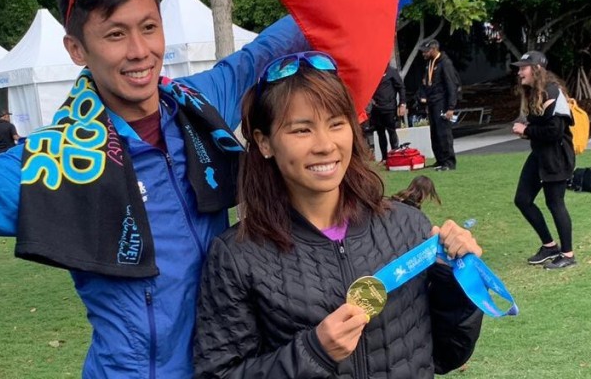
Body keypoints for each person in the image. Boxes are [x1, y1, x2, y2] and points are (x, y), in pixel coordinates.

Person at [0, 0, 308, 378]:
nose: (140, 51)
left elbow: (265, 52)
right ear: (77, 49)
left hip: (232, 365)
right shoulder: (57, 163)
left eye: (149, 28)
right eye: (115, 34)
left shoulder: (198, 108)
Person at [194, 52, 483, 377]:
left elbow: (447, 354)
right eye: (302, 130)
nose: (325, 145)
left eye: (336, 124)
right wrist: (312, 353)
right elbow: (218, 373)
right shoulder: (238, 257)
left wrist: (454, 280)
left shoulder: (407, 228)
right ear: (265, 143)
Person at [510, 50, 577, 270]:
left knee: (555, 203)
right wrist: (526, 130)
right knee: (522, 199)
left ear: (537, 69)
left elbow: (555, 131)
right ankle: (549, 246)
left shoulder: (553, 92)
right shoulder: (534, 92)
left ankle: (567, 254)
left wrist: (527, 130)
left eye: (523, 68)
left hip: (556, 157)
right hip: (540, 155)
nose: (519, 72)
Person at [418, 39, 459, 171]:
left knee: (444, 133)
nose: (423, 54)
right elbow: (426, 82)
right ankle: (440, 159)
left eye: (425, 51)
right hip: (432, 103)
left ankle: (449, 162)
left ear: (434, 49)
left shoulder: (445, 63)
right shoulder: (429, 63)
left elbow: (451, 85)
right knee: (434, 133)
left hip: (442, 102)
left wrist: (451, 107)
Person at [367, 63, 407, 161]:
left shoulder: (391, 71)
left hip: (389, 108)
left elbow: (401, 87)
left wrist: (402, 104)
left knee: (391, 131)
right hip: (377, 108)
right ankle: (384, 158)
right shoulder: (373, 72)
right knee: (380, 134)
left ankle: (395, 156)